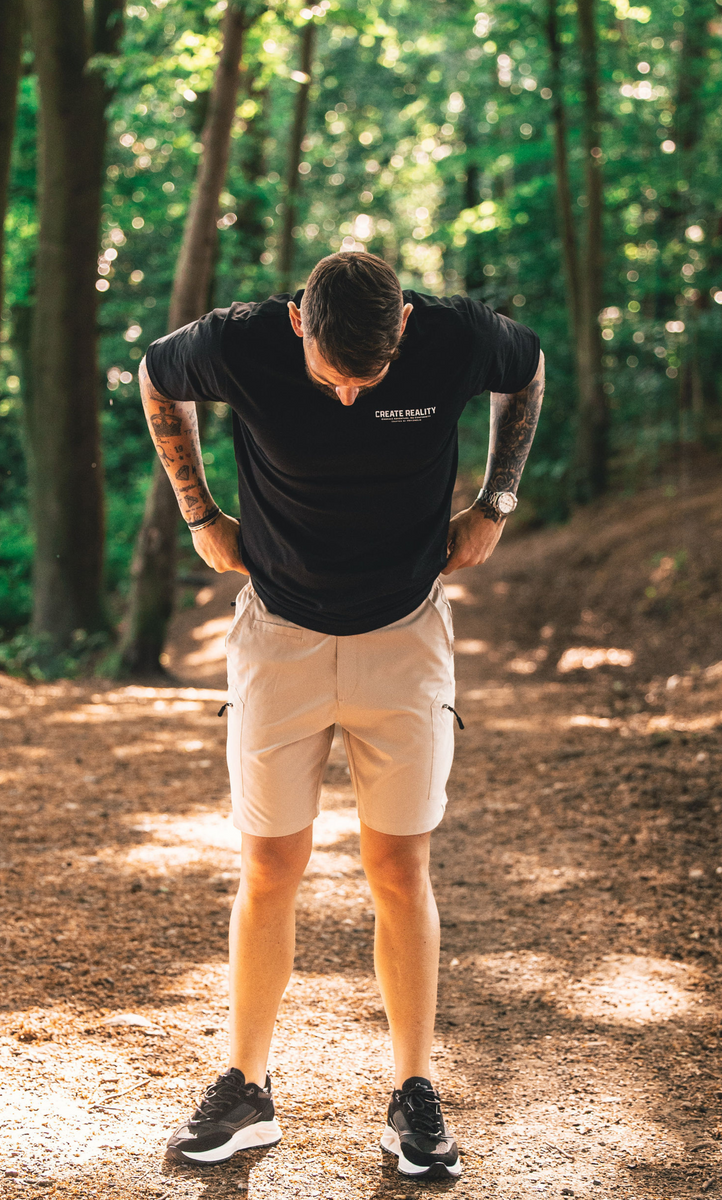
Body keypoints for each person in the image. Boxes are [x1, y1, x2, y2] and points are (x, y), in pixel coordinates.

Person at [140, 252, 544, 1181]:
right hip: (279, 635)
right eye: (333, 378)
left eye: (372, 378)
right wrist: (198, 512)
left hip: (405, 637)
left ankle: (414, 1094)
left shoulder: (453, 333)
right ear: (297, 328)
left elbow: (526, 370)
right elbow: (157, 377)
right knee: (269, 862)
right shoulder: (241, 341)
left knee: (399, 869)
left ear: (404, 328)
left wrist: (498, 500)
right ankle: (245, 1088)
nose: (352, 397)